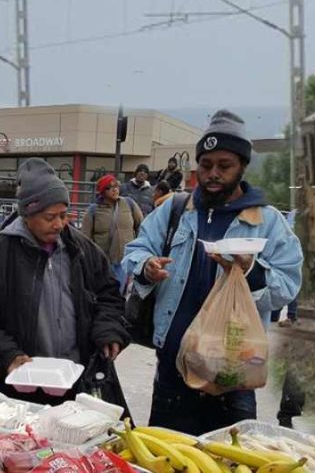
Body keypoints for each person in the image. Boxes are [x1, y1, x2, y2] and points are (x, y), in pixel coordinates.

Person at [123, 109, 302, 435]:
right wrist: (146, 267)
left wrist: (252, 272)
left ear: (242, 167)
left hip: (233, 377)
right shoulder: (175, 209)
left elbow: (288, 284)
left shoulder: (268, 220)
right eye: (206, 165)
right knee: (167, 459)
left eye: (224, 166)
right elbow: (135, 250)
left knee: (229, 462)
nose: (213, 174)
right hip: (173, 374)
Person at [0, 158, 128, 404]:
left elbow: (109, 295)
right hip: (22, 390)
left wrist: (109, 330)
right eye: (50, 217)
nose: (59, 224)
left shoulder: (81, 249)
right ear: (27, 214)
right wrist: (8, 356)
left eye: (64, 215)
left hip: (79, 382)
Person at [81, 174, 144, 293]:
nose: (115, 189)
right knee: (104, 293)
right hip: (103, 261)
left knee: (120, 293)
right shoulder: (93, 210)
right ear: (102, 192)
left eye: (116, 186)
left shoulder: (129, 204)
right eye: (110, 187)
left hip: (125, 260)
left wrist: (139, 251)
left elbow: (141, 226)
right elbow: (85, 238)